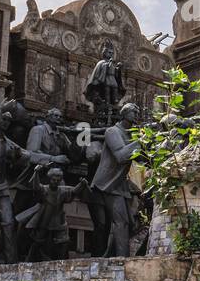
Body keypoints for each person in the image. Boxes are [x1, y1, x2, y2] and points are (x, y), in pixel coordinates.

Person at [0, 99, 65, 267]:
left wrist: (53, 159)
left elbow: (29, 156)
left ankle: (11, 265)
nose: (6, 122)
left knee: (9, 223)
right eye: (3, 118)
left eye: (9, 120)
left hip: (0, 187)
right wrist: (0, 109)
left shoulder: (7, 143)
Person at [90, 101, 141, 257]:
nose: (137, 115)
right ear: (124, 114)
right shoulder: (113, 131)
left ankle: (110, 256)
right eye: (134, 112)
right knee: (121, 222)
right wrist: (140, 141)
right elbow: (120, 156)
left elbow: (140, 158)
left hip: (119, 183)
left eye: (138, 113)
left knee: (130, 224)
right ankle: (121, 260)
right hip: (106, 183)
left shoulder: (131, 134)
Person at [16, 166, 89, 261]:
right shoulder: (45, 189)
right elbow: (36, 187)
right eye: (53, 180)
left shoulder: (62, 191)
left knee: (63, 241)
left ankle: (62, 262)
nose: (55, 182)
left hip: (57, 219)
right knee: (38, 241)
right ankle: (29, 260)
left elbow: (73, 191)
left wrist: (82, 184)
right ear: (49, 179)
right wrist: (36, 172)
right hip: (44, 219)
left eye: (58, 180)